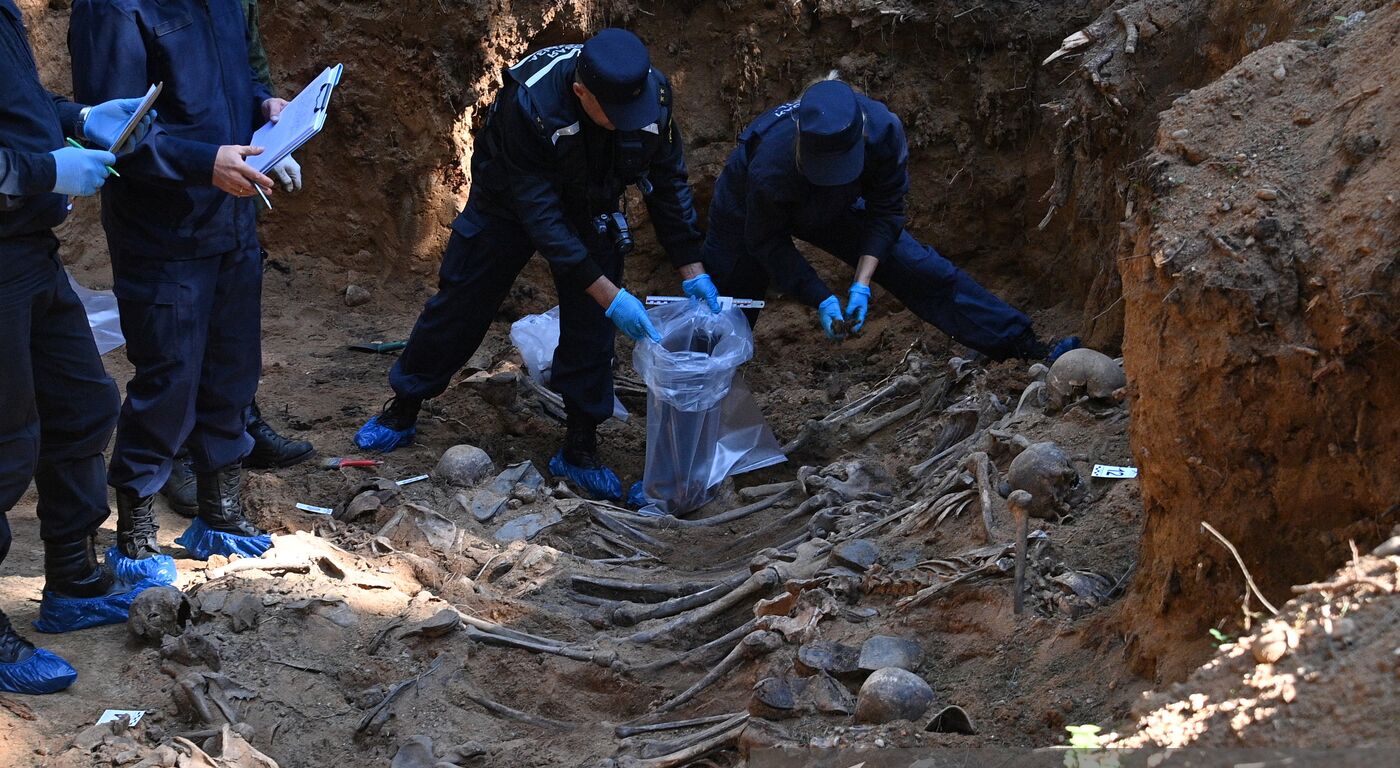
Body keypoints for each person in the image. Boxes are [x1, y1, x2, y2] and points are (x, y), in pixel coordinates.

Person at [355, 29, 719, 501]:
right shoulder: (529, 104)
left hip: (593, 203)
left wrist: (693, 268)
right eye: (616, 115)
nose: (628, 122)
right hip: (510, 204)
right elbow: (543, 221)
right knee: (463, 302)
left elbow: (669, 183)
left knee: (591, 327)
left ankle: (580, 445)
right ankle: (405, 403)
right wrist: (612, 295)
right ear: (580, 93)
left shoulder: (651, 97)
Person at [70, 0, 285, 567]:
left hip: (231, 217)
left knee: (233, 366)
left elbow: (243, 74)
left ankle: (221, 511)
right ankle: (136, 532)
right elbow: (113, 128)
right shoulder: (114, 8)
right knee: (168, 375)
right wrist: (200, 162)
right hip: (162, 230)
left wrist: (266, 104)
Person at [1, 0, 159, 692]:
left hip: (26, 250)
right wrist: (45, 171)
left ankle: (73, 580)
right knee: (5, 442)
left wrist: (75, 119)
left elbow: (15, 104)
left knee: (81, 404)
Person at [703, 80, 1077, 361]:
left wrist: (862, 284)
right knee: (729, 303)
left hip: (843, 201)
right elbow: (767, 242)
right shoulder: (771, 168)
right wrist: (821, 298)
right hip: (749, 206)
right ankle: (701, 397)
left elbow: (885, 211)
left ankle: (1023, 346)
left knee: (918, 268)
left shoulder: (882, 131)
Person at [159, 0, 311, 518]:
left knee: (232, 328)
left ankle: (239, 425)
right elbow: (131, 110)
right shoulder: (123, 10)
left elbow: (246, 61)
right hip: (176, 194)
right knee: (179, 338)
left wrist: (267, 115)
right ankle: (175, 454)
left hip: (235, 168)